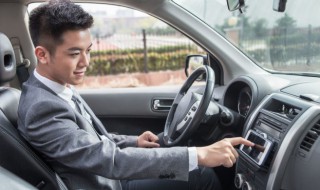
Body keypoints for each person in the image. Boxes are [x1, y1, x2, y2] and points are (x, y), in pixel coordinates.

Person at [17, 0, 254, 189]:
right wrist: (198, 154)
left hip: (108, 176)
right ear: (42, 54)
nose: (85, 62)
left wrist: (134, 141)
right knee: (201, 175)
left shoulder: (55, 87)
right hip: (106, 182)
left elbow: (88, 140)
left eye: (88, 51)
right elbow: (111, 160)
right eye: (74, 53)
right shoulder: (41, 108)